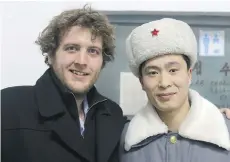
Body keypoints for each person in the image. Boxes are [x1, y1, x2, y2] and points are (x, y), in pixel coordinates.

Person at [1, 6, 125, 162]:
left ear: (102, 60)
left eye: (93, 51)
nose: (82, 61)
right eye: (72, 48)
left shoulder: (113, 114)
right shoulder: (7, 106)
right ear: (51, 54)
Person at [119, 18, 230, 162]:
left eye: (173, 70)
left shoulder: (224, 131)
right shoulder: (125, 139)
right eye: (153, 72)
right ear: (141, 81)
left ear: (189, 74)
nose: (164, 83)